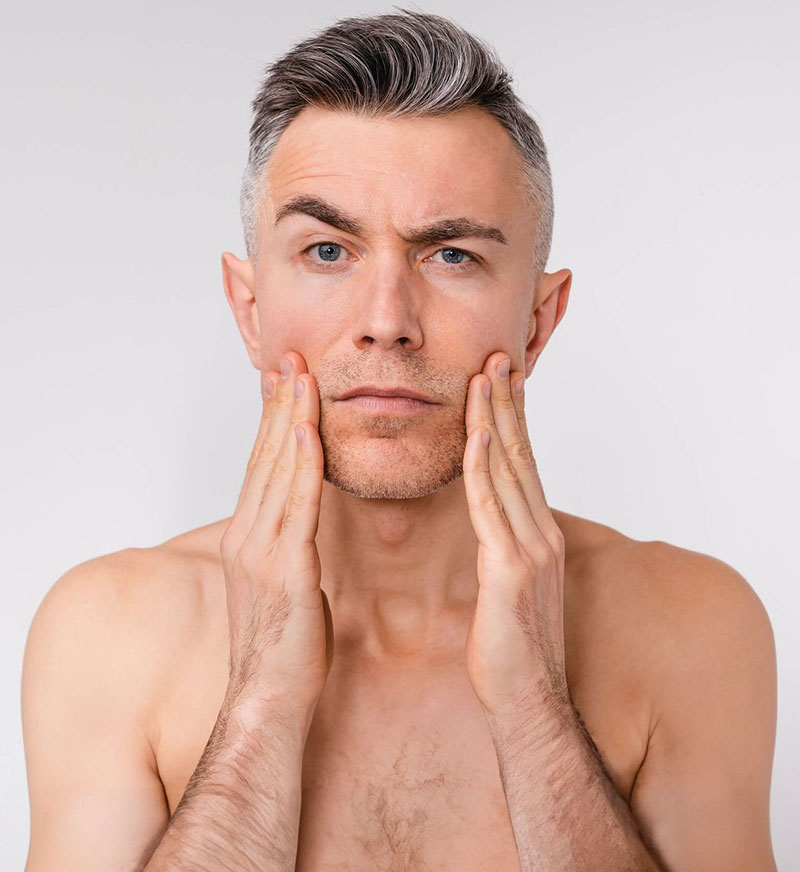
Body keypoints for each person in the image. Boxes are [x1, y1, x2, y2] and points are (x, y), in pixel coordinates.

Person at [21, 9, 777, 872]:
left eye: (450, 255)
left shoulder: (694, 629)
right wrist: (262, 693)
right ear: (249, 309)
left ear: (538, 320)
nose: (386, 324)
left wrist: (534, 704)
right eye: (327, 250)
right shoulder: (106, 635)